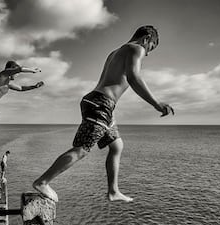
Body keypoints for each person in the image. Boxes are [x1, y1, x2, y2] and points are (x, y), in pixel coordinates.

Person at [33, 25, 174, 203]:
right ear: (146, 39)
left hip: (100, 104)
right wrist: (157, 103)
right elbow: (133, 77)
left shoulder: (116, 52)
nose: (147, 53)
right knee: (82, 150)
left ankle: (113, 191)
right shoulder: (136, 48)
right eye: (150, 48)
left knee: (117, 146)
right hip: (100, 104)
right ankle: (43, 181)